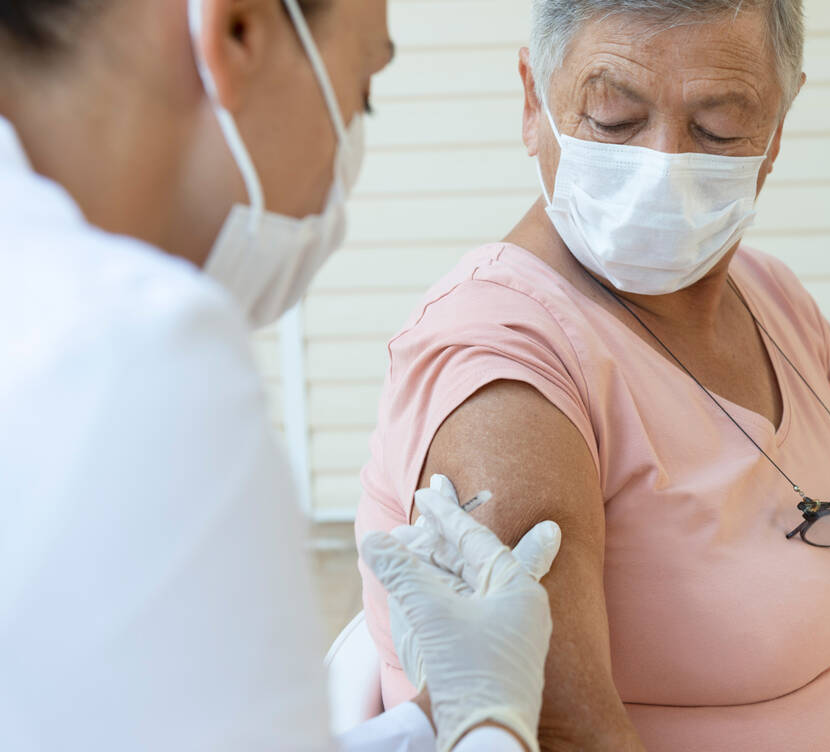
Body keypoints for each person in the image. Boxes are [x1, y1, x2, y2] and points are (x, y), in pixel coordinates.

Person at [356, 0, 830, 750]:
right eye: (615, 120)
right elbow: (562, 727)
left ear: (778, 130)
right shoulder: (506, 367)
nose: (662, 165)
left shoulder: (771, 298)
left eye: (718, 127)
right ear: (534, 102)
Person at [0, 1, 559, 750]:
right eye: (362, 91)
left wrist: (431, 724)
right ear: (239, 31)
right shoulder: (123, 355)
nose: (343, 163)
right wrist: (492, 722)